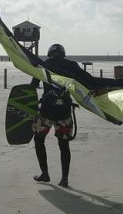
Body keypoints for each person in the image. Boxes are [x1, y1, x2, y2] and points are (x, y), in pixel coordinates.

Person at [32, 43, 87, 188]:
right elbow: (87, 81)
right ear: (63, 53)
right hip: (64, 111)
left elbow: (32, 86)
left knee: (39, 140)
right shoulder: (72, 65)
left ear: (50, 53)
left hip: (46, 111)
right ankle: (64, 179)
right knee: (64, 145)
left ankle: (45, 173)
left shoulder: (43, 65)